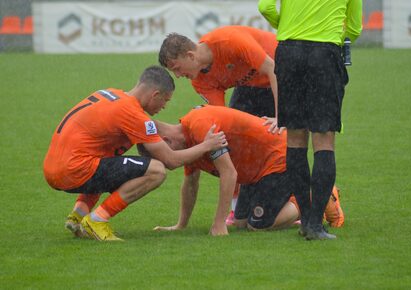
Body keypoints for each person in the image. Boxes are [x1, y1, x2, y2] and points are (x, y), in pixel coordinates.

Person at [43, 66, 227, 241]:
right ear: (155, 94)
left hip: (53, 168)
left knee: (108, 163)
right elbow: (171, 161)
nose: (164, 107)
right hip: (73, 170)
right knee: (156, 171)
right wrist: (206, 145)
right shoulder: (133, 114)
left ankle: (78, 216)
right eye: (165, 100)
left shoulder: (111, 93)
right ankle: (97, 220)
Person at [150, 105, 344, 236]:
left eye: (164, 157)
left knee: (259, 225)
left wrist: (218, 224)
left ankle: (315, 195)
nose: (169, 163)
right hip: (255, 172)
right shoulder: (188, 144)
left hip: (277, 158)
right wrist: (181, 225)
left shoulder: (199, 126)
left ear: (166, 141)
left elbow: (230, 173)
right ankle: (297, 197)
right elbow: (190, 183)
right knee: (241, 223)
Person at [258, 0, 362, 240]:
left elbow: (265, 7)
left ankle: (305, 220)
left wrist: (287, 25)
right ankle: (316, 223)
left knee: (295, 139)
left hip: (289, 52)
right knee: (324, 140)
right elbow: (355, 29)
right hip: (324, 54)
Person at [158, 25, 280, 133]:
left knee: (289, 130)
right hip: (255, 85)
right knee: (235, 132)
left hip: (285, 72)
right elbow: (221, 116)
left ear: (190, 56)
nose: (178, 76)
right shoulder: (199, 81)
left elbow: (272, 68)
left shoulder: (228, 40)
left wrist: (280, 116)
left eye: (177, 68)